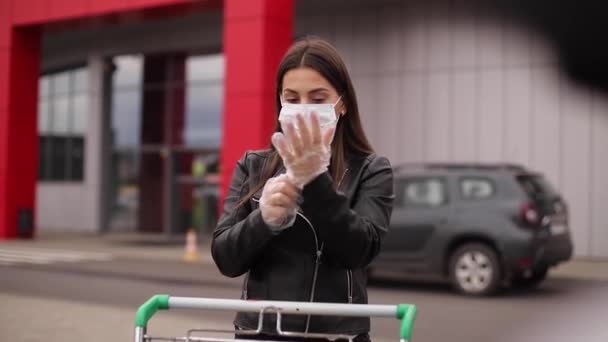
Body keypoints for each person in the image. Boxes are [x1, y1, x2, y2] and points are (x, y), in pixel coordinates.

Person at [211, 36, 394, 342]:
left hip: (338, 334)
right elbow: (225, 259)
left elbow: (360, 250)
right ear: (280, 102)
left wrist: (314, 181)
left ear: (343, 103)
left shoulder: (371, 169)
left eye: (318, 98)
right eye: (292, 99)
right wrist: (263, 219)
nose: (304, 109)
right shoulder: (254, 166)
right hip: (263, 332)